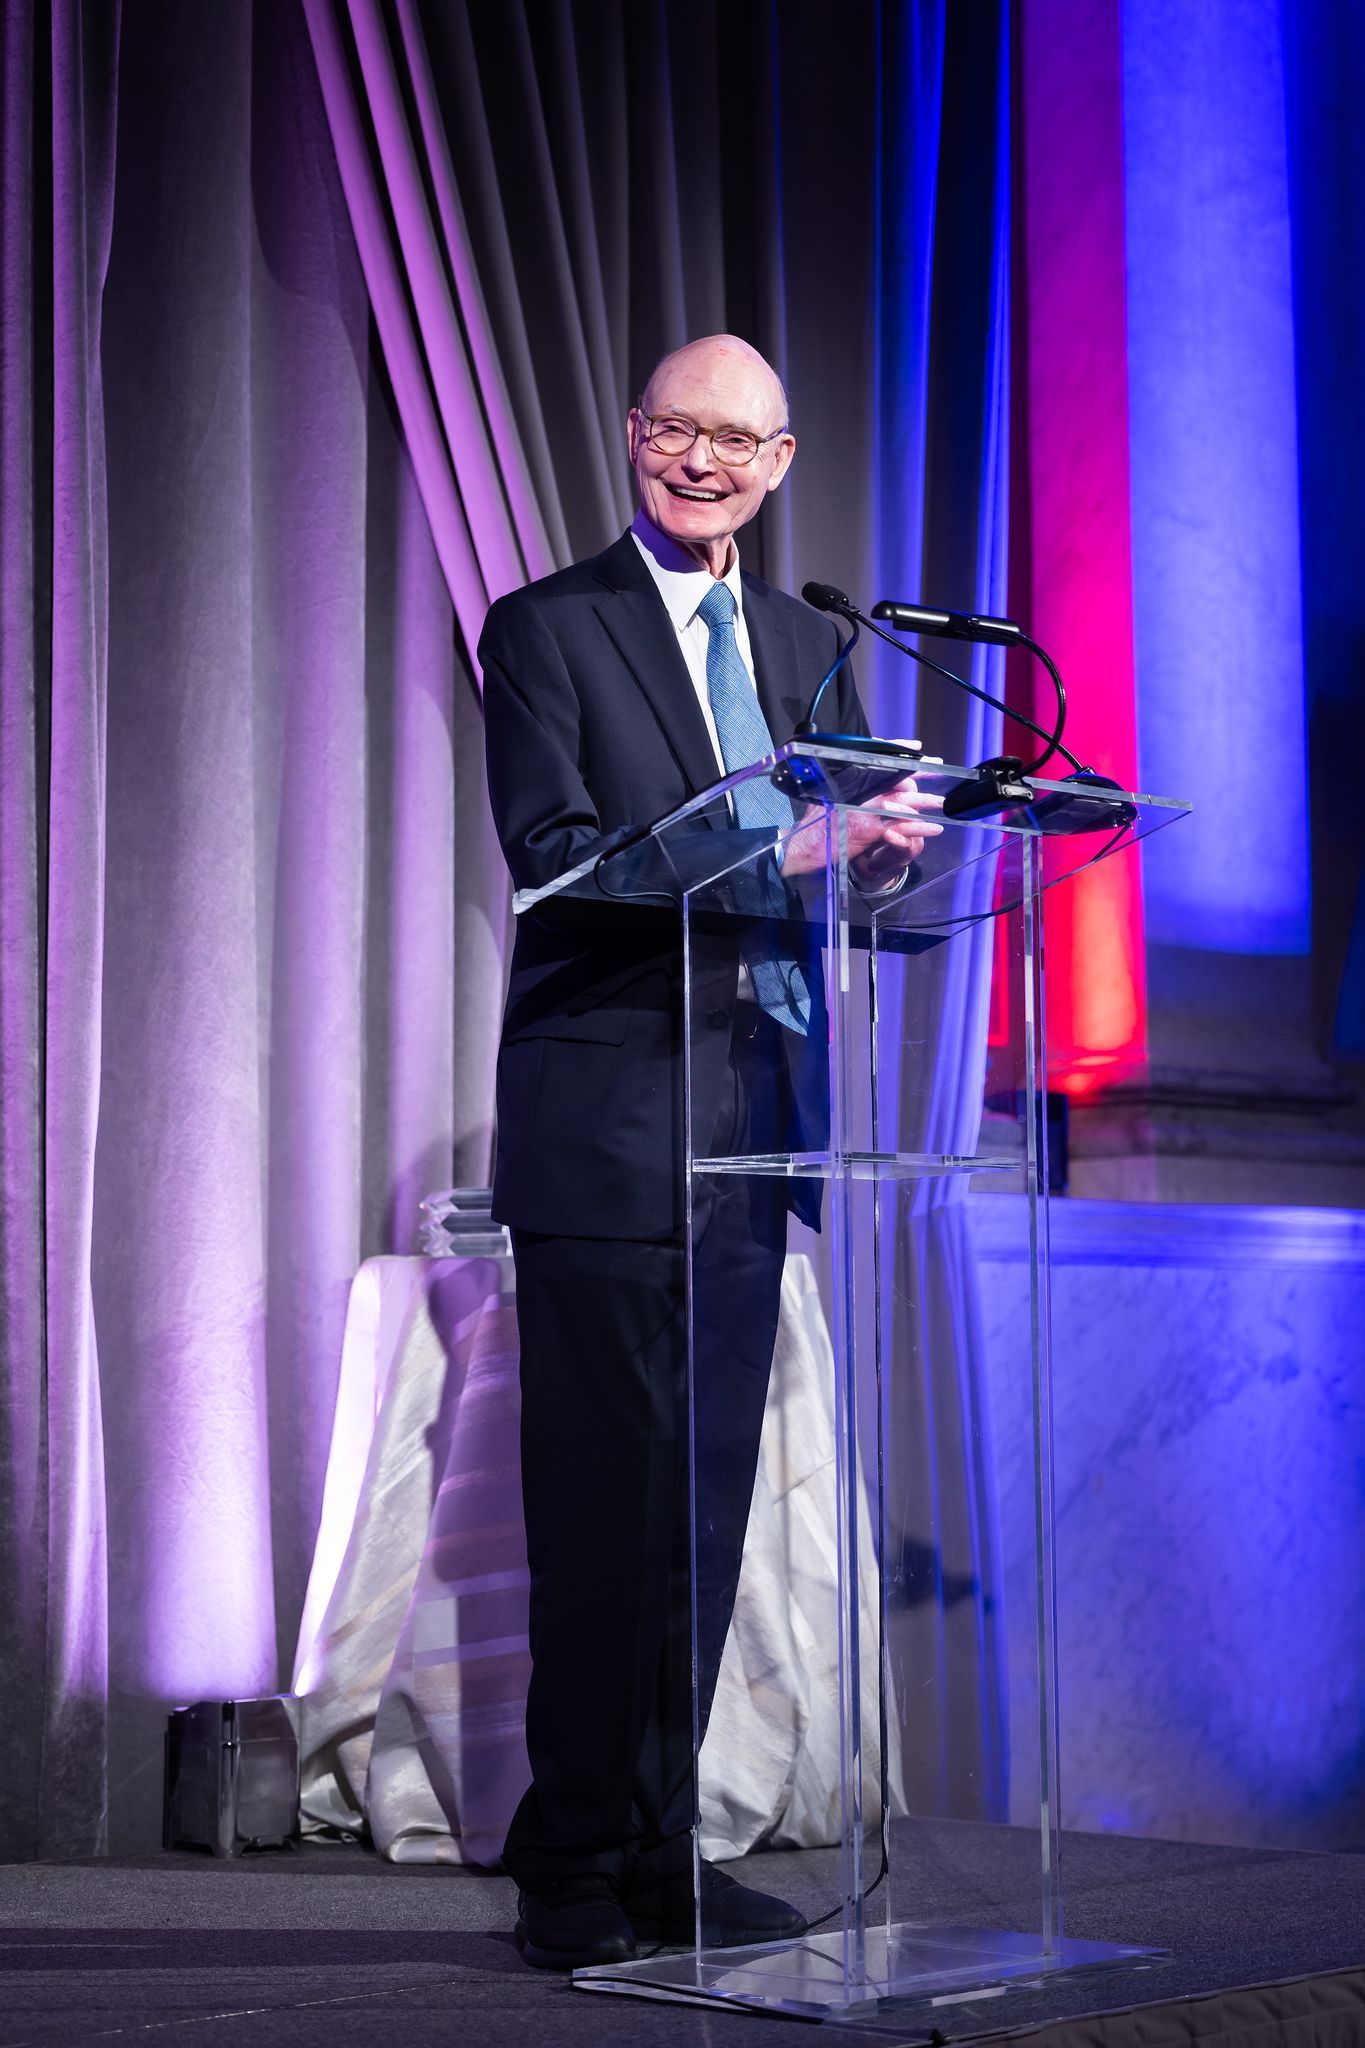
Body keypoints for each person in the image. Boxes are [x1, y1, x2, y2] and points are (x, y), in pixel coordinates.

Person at [479, 334, 933, 1970]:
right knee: (601, 1511)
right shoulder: (544, 628)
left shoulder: (813, 638)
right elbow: (558, 864)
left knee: (701, 1518)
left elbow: (847, 847)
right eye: (678, 429)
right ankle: (569, 1862)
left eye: (736, 440)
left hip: (754, 1133)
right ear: (631, 435)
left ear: (782, 459)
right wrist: (780, 842)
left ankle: (667, 1848)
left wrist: (878, 860)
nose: (703, 460)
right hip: (606, 1133)